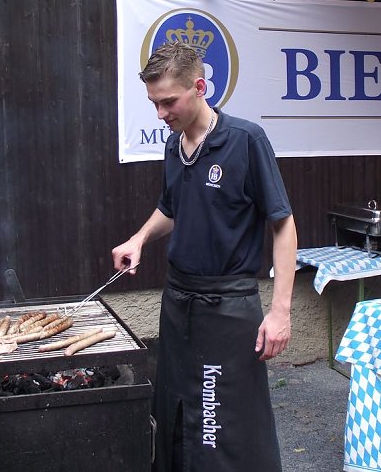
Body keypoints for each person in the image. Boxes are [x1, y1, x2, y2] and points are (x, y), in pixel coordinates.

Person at [112, 42, 298, 471]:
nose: (160, 114)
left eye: (168, 102)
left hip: (228, 308)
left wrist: (281, 311)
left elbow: (283, 223)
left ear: (199, 87)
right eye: (154, 104)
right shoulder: (173, 145)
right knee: (176, 408)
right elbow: (172, 208)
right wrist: (140, 239)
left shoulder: (245, 141)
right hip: (178, 305)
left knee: (219, 423)